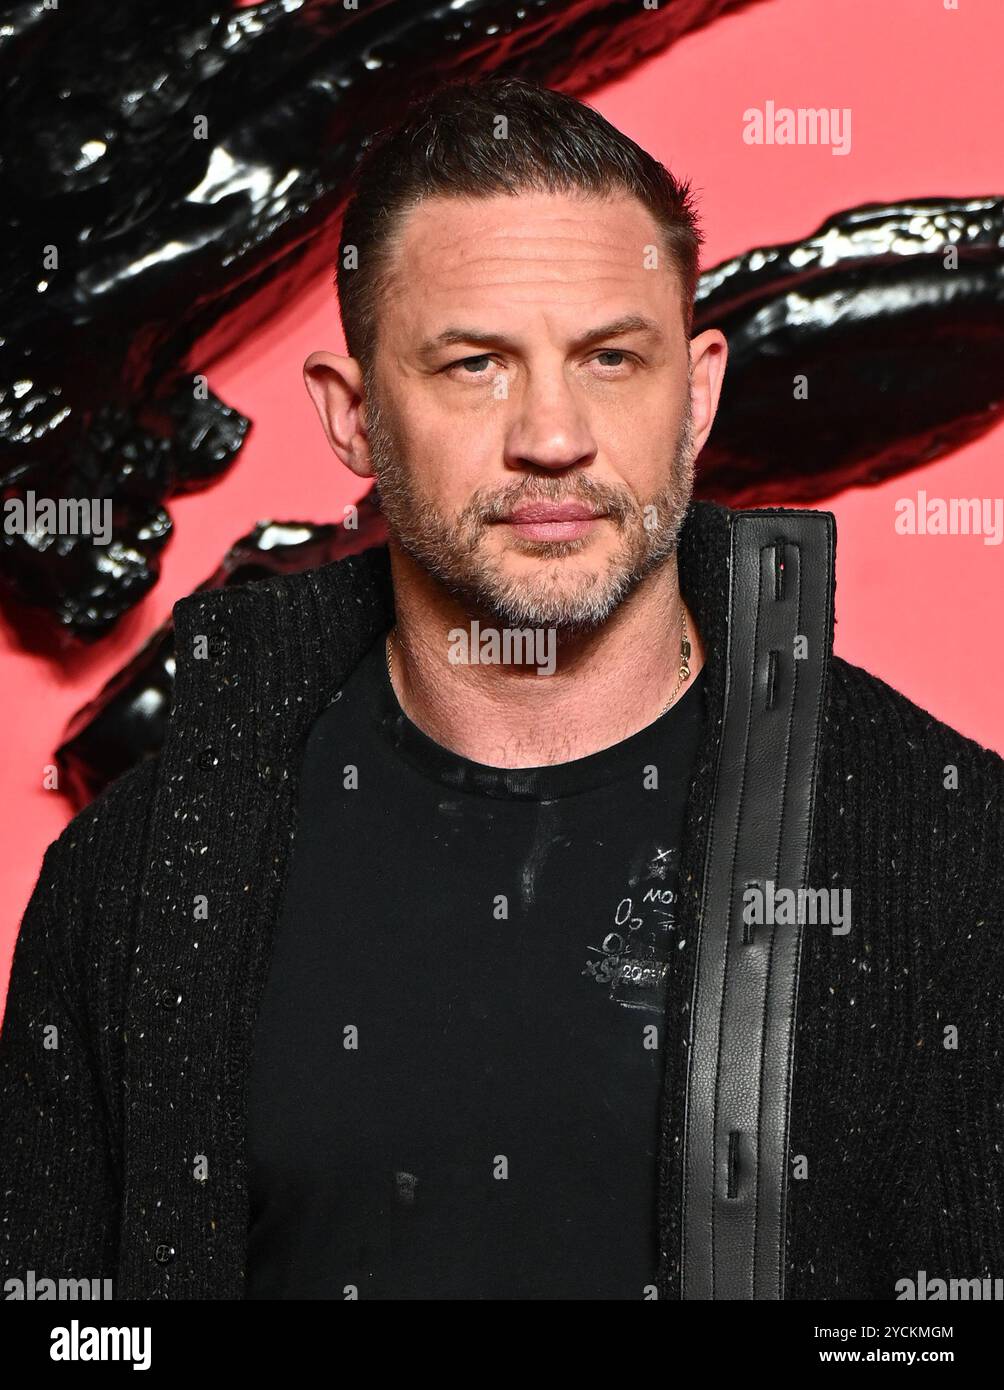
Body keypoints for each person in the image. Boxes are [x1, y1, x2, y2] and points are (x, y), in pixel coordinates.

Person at [2, 75, 1001, 1302]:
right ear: (354, 417)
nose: (551, 434)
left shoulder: (948, 846)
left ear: (695, 394)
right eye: (475, 364)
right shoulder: (137, 881)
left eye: (608, 358)